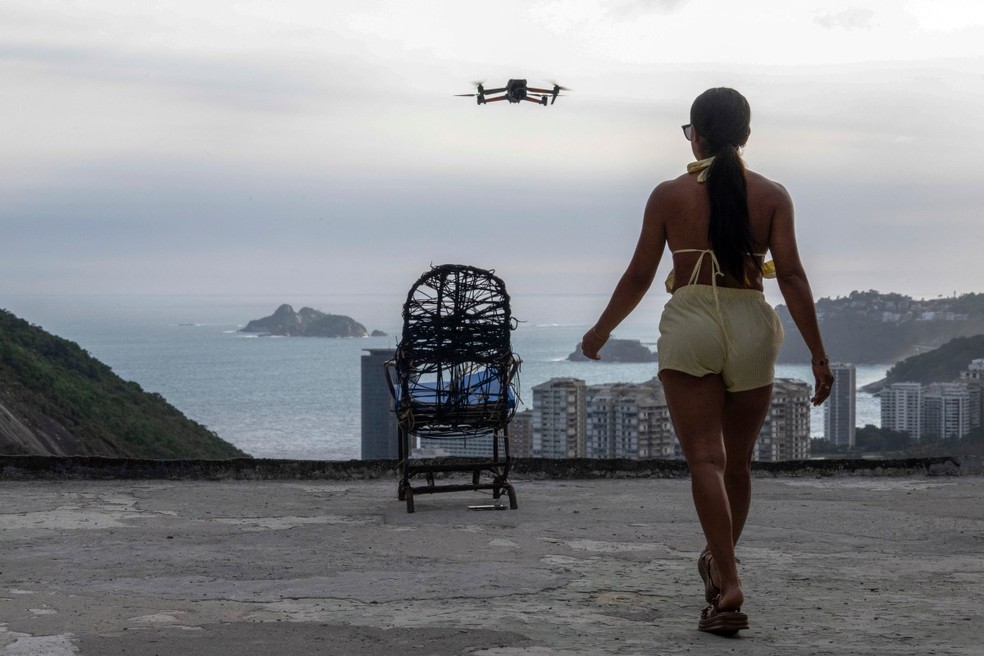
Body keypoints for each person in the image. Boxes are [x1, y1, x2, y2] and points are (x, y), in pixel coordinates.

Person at [581, 87, 834, 635]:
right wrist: (817, 354)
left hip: (691, 322)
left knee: (705, 461)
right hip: (750, 324)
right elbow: (791, 277)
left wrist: (601, 331)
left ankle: (728, 576)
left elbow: (639, 274)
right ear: (746, 136)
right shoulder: (772, 195)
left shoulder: (668, 195)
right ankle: (721, 568)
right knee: (737, 465)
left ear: (694, 134)